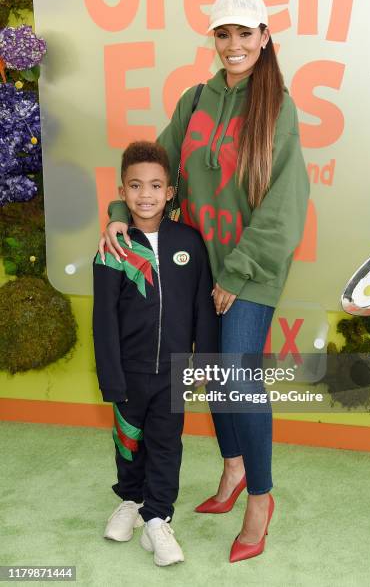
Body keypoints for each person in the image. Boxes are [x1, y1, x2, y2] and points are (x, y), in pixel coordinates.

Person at [99, 0, 310, 563]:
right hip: (198, 268)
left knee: (238, 381)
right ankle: (234, 469)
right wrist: (120, 214)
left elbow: (284, 208)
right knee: (212, 380)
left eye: (246, 34)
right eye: (224, 34)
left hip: (252, 268)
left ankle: (261, 500)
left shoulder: (279, 107)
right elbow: (158, 168)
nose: (234, 45)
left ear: (265, 37)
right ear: (213, 39)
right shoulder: (195, 100)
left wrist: (237, 274)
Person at [93, 141, 218, 567]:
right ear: (123, 192)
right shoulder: (114, 247)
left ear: (170, 192)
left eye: (155, 185)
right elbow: (104, 318)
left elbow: (203, 306)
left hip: (174, 371)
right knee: (128, 443)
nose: (145, 194)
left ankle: (158, 517)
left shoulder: (190, 242)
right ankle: (129, 500)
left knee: (166, 444)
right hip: (128, 371)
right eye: (135, 186)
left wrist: (205, 360)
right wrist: (110, 375)